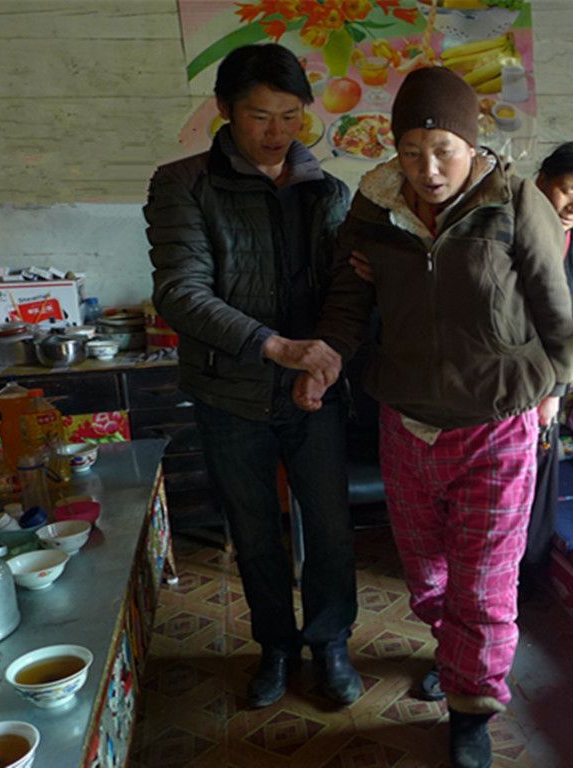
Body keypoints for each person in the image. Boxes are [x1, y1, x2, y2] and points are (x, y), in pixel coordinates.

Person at [294, 66, 573, 768]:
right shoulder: (376, 204)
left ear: (472, 147)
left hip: (497, 420)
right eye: (412, 151)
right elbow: (348, 300)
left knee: (484, 583)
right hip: (407, 420)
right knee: (426, 574)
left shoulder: (515, 199)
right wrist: (327, 355)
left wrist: (555, 387)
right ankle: (456, 656)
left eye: (444, 150)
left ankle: (472, 706)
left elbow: (554, 306)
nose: (427, 169)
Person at [143, 43, 361, 710]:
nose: (276, 133)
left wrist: (322, 361)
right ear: (224, 110)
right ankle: (275, 646)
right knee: (255, 529)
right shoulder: (183, 184)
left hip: (314, 394)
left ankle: (329, 643)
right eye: (259, 116)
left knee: (330, 528)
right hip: (229, 394)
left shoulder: (329, 191)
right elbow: (180, 292)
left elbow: (346, 292)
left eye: (291, 116)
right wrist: (275, 347)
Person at [519, 142, 573, 587]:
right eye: (568, 191)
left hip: (551, 384)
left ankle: (528, 577)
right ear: (542, 182)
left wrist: (556, 388)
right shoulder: (507, 230)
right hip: (503, 378)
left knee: (539, 478)